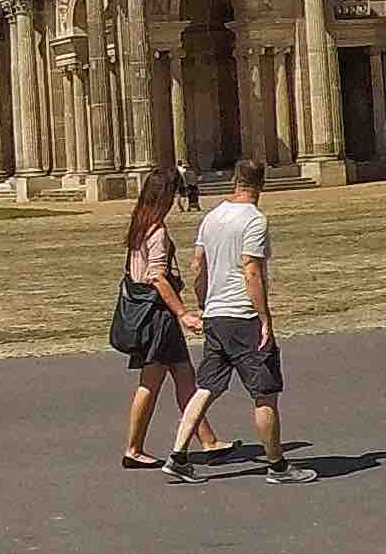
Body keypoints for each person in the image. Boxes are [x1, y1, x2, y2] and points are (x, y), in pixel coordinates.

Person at [167, 158, 314, 483]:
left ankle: (178, 454)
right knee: (265, 392)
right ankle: (277, 467)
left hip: (217, 314)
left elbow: (197, 268)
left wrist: (205, 305)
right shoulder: (254, 221)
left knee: (206, 387)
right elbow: (251, 271)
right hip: (243, 316)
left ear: (235, 181)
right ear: (261, 184)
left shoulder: (212, 217)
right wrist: (264, 319)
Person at [117, 163, 231, 470]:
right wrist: (182, 313)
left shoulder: (140, 224)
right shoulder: (157, 231)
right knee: (150, 383)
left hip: (154, 314)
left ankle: (207, 440)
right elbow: (157, 277)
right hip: (159, 316)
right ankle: (133, 448)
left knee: (184, 377)